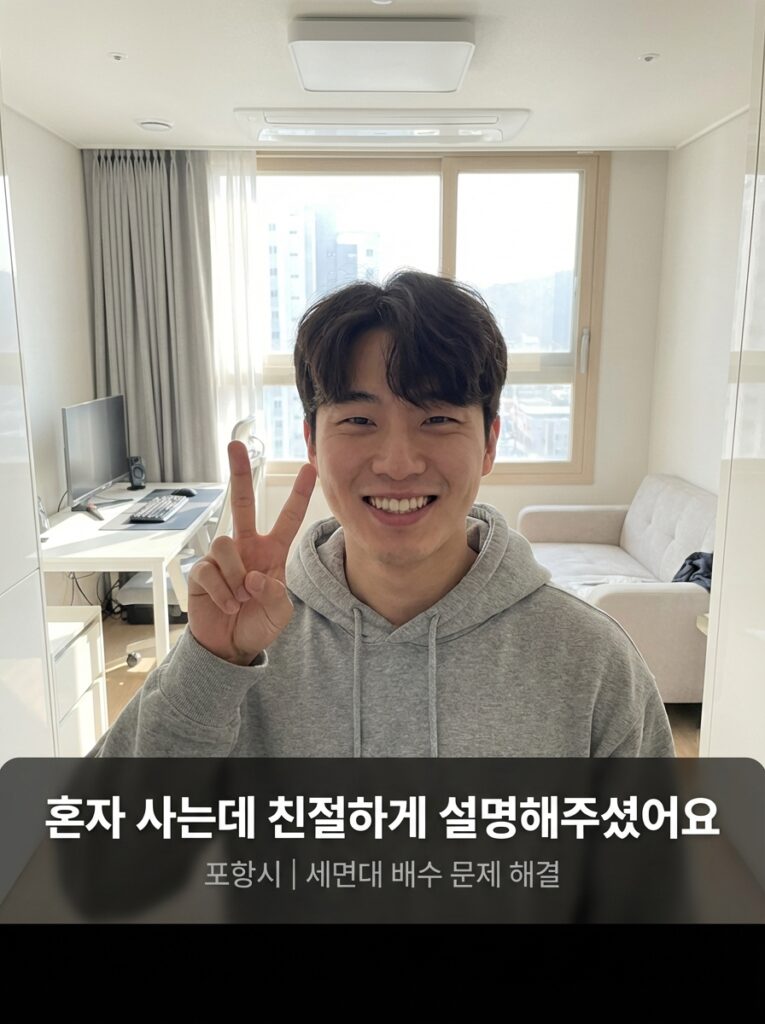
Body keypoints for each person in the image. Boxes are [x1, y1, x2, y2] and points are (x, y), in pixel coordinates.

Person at [94, 269, 675, 758]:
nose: (398, 463)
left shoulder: (590, 660)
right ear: (313, 443)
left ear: (490, 443)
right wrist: (211, 667)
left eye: (438, 419)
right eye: (359, 420)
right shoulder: (245, 637)